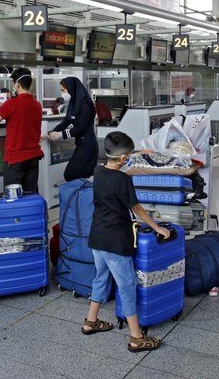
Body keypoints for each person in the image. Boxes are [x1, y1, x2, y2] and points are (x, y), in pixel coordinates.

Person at [81, 131, 170, 352]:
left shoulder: (98, 171)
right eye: (129, 156)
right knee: (127, 285)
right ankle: (136, 337)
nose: (129, 159)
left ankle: (91, 321)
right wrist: (158, 226)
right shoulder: (123, 179)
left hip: (97, 236)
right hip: (116, 241)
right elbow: (137, 208)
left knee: (101, 278)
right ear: (123, 159)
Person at [0, 67, 44, 192]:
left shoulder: (11, 104)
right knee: (30, 196)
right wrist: (5, 107)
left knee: (14, 198)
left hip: (15, 160)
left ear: (17, 84)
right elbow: (23, 116)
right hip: (33, 159)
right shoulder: (37, 105)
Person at [47, 77, 98, 181]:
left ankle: (82, 196)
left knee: (71, 174)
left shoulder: (85, 105)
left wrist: (61, 135)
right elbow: (66, 121)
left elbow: (80, 128)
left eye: (63, 90)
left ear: (71, 88)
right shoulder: (74, 103)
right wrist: (51, 132)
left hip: (88, 146)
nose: (62, 93)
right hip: (81, 145)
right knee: (76, 176)